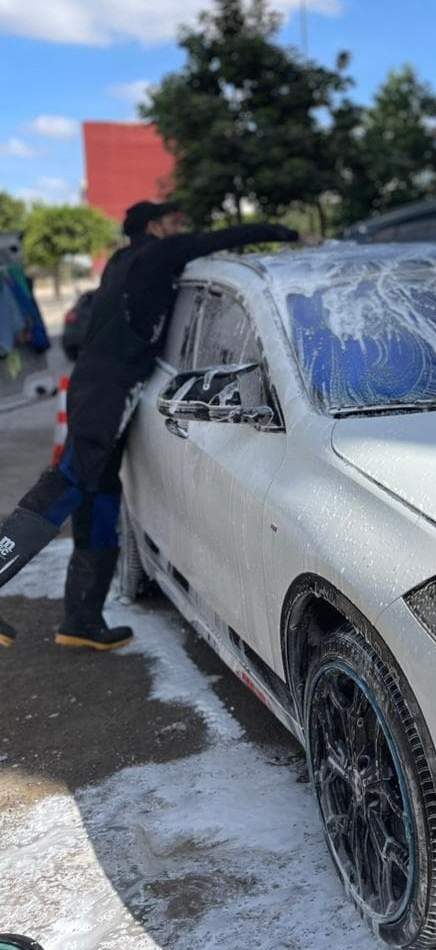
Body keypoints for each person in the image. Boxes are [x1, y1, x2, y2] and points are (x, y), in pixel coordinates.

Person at [0, 200, 299, 651]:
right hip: (110, 387)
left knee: (100, 495)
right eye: (174, 222)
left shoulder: (121, 260)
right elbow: (218, 240)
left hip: (94, 382)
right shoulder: (157, 252)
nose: (182, 227)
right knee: (71, 483)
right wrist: (288, 232)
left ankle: (81, 620)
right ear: (154, 227)